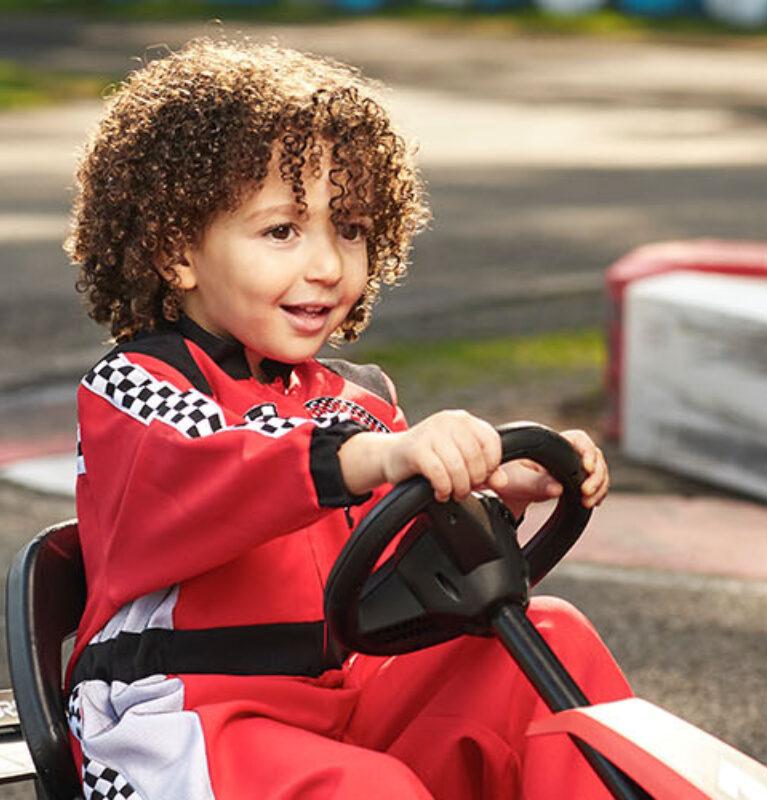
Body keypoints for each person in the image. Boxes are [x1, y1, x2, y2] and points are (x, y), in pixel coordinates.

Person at [63, 37, 630, 799]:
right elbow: (225, 466)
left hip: (339, 699)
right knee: (370, 792)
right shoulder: (138, 388)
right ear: (177, 253)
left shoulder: (355, 399)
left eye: (351, 230)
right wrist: (382, 455)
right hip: (180, 720)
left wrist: (493, 489)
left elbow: (391, 570)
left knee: (551, 639)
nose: (328, 266)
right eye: (282, 231)